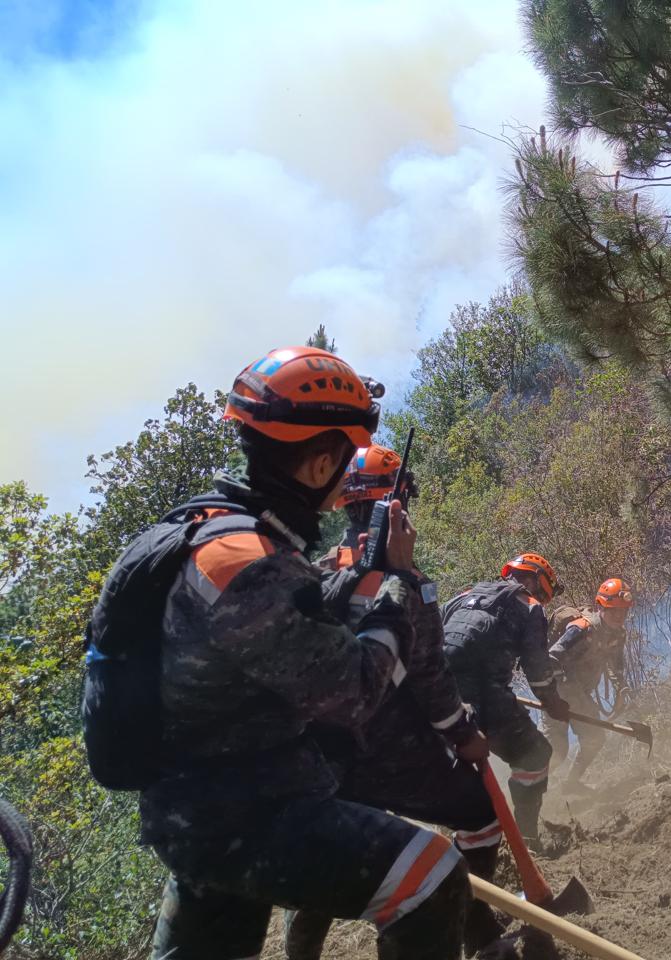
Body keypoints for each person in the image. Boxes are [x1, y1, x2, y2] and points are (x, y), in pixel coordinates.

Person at [136, 346, 470, 960]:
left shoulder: (215, 531)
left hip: (201, 806)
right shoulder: (250, 565)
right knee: (430, 877)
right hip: (240, 813)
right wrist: (396, 580)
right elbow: (355, 691)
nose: (347, 482)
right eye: (344, 464)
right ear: (319, 465)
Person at [286, 444, 510, 960]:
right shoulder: (408, 584)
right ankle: (477, 930)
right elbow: (428, 675)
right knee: (478, 814)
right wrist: (462, 734)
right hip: (391, 750)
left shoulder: (314, 574)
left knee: (331, 859)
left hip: (324, 760)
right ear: (398, 504)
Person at [441, 554, 571, 847]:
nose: (540, 598)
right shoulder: (529, 606)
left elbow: (429, 635)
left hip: (437, 692)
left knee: (449, 766)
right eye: (542, 592)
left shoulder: (463, 595)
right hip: (484, 693)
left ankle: (455, 837)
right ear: (536, 581)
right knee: (535, 754)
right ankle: (526, 838)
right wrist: (553, 702)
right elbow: (537, 668)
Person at [545, 578, 635, 786]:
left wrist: (621, 688)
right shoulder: (582, 628)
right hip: (556, 695)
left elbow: (617, 665)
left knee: (595, 739)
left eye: (623, 611)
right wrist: (564, 688)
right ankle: (531, 791)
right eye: (614, 610)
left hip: (580, 695)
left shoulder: (618, 634)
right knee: (557, 750)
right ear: (601, 606)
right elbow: (552, 656)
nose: (619, 616)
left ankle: (570, 785)